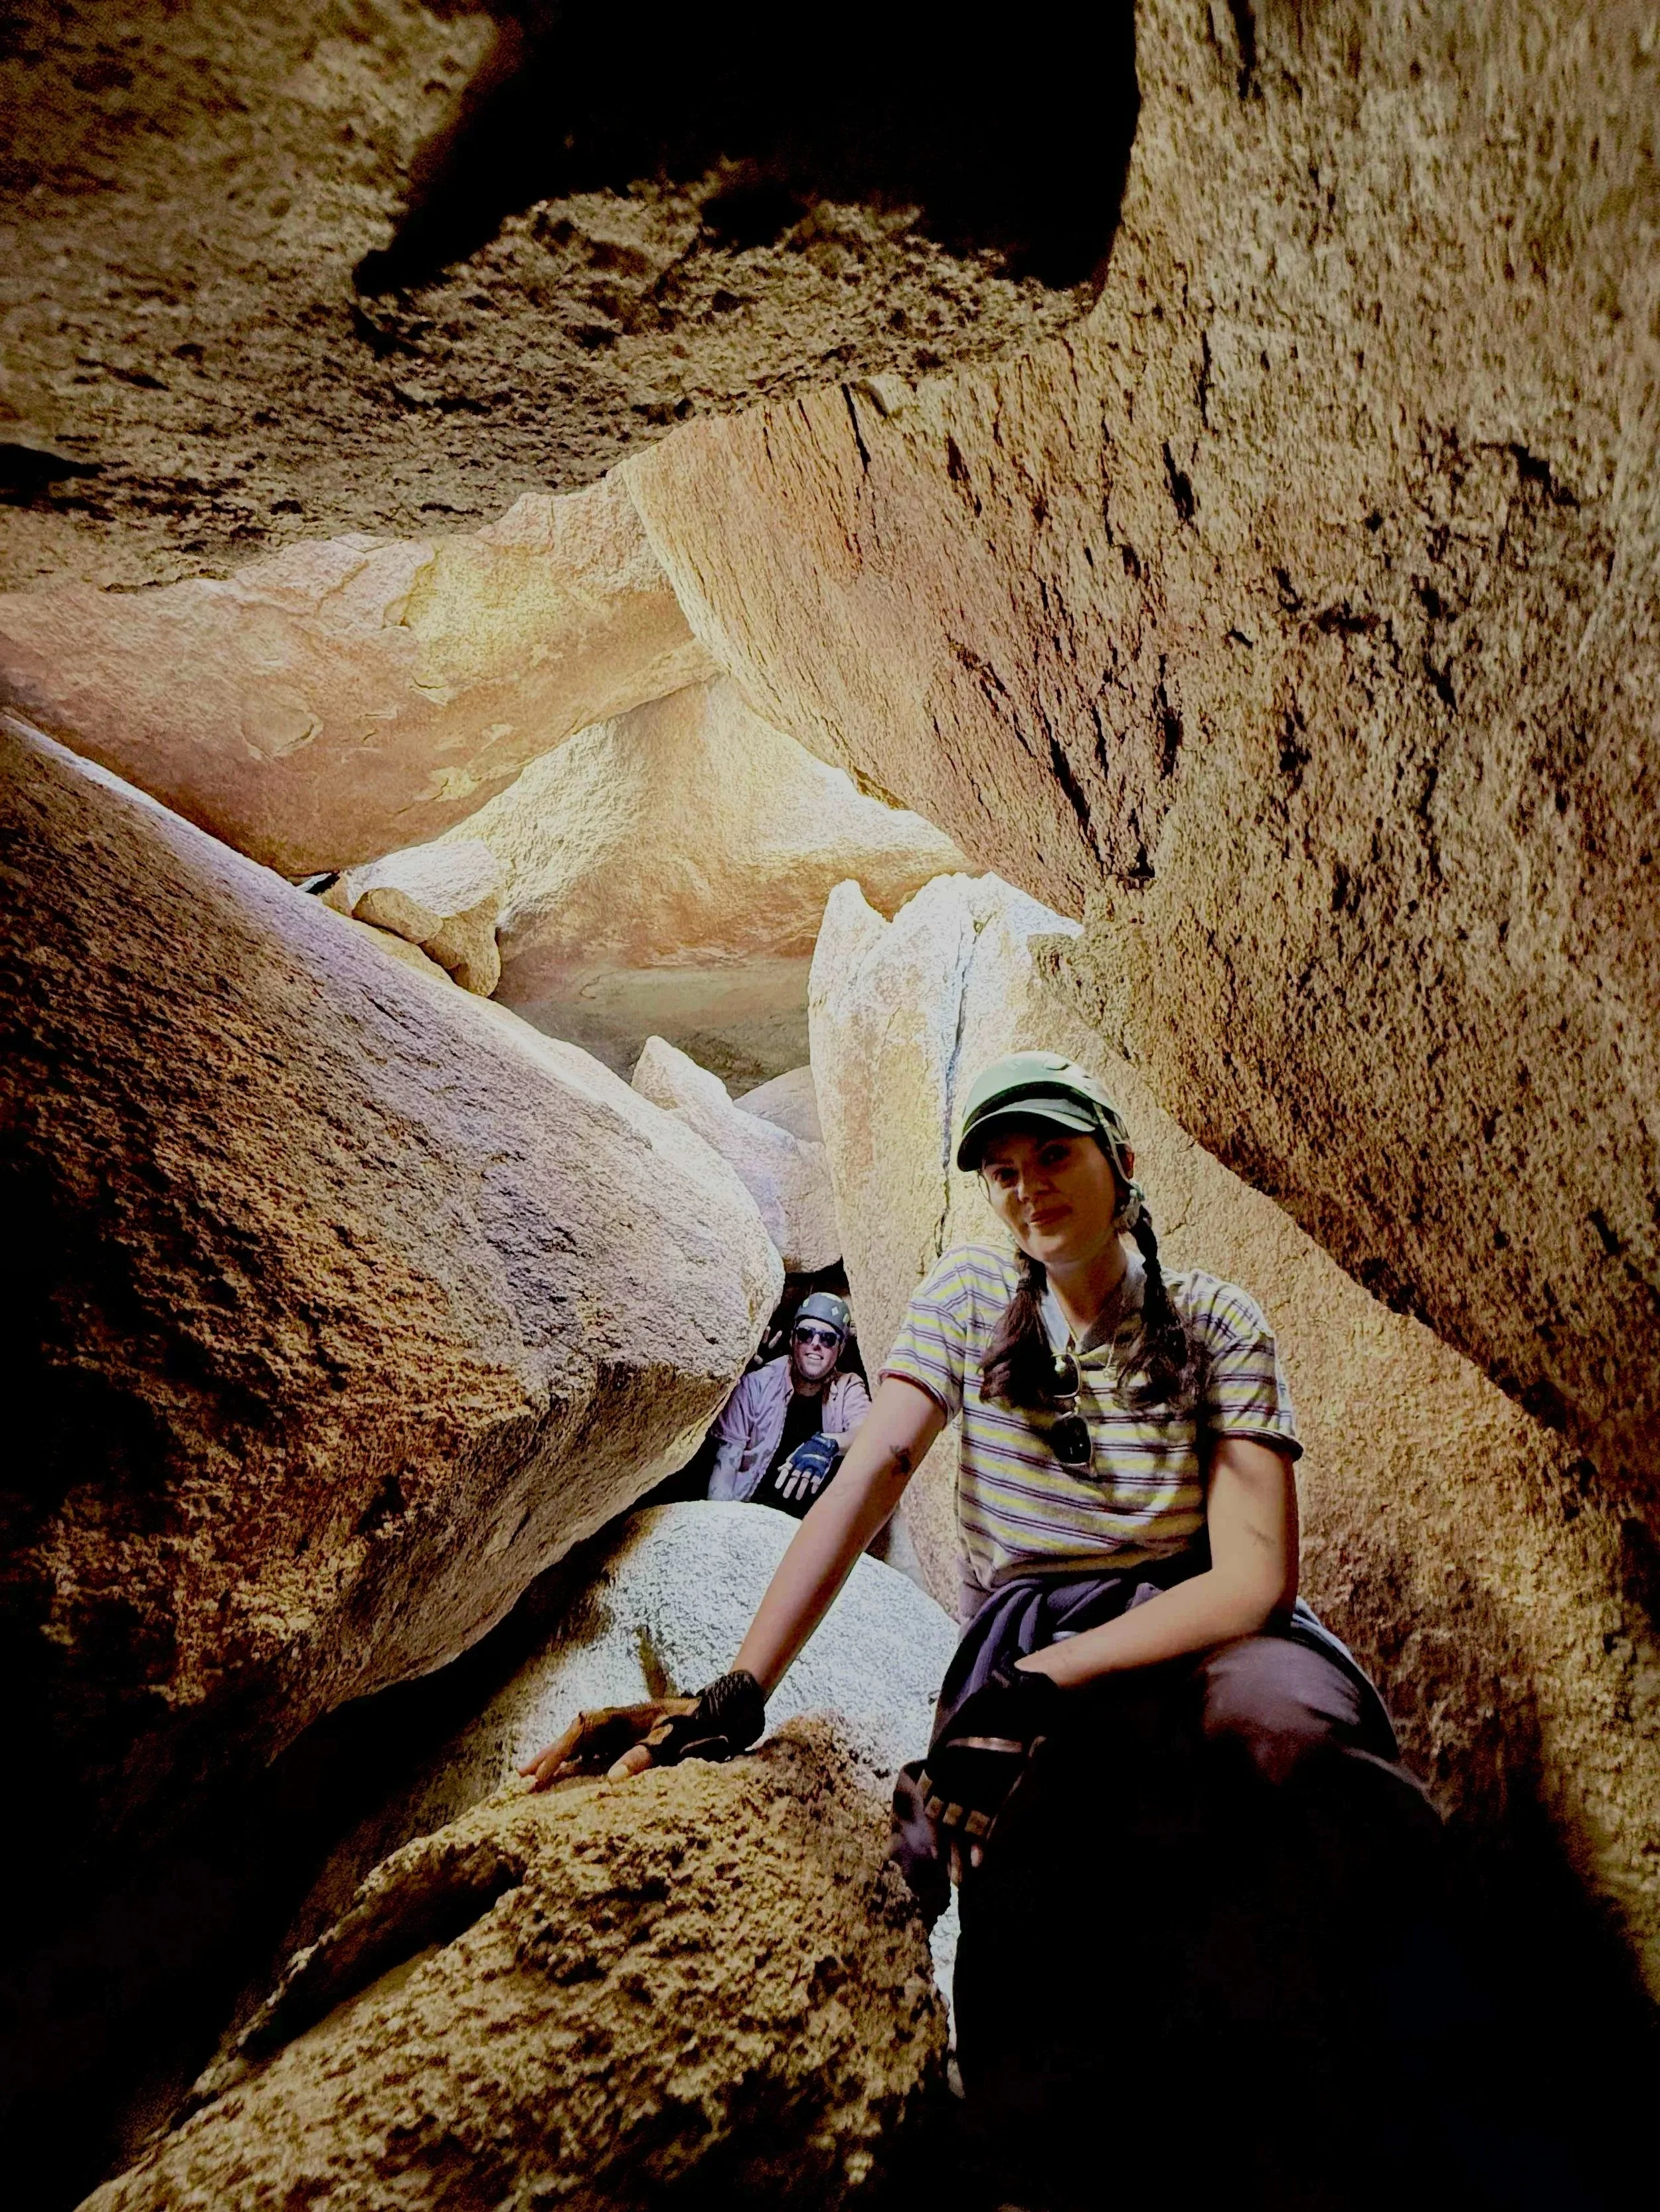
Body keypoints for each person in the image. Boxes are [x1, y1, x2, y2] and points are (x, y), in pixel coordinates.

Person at [520, 1052, 1451, 2205]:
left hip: (1207, 1617)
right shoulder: (968, 1302)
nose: (1028, 1187)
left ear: (1123, 1162)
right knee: (1042, 1876)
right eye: (1003, 1171)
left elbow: (1255, 1574)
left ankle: (1413, 2093)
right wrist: (739, 1688)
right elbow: (870, 1472)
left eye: (1054, 1154)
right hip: (1036, 1628)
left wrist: (1042, 1681)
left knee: (1286, 1741)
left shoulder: (1216, 1320)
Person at [705, 1290, 872, 1518]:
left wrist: (828, 1444)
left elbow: (868, 1433)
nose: (815, 1344)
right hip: (748, 1515)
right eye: (806, 1334)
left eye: (828, 1339)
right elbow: (723, 1477)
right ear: (793, 1340)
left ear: (840, 1348)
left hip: (811, 1529)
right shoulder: (757, 1384)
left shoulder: (847, 1387)